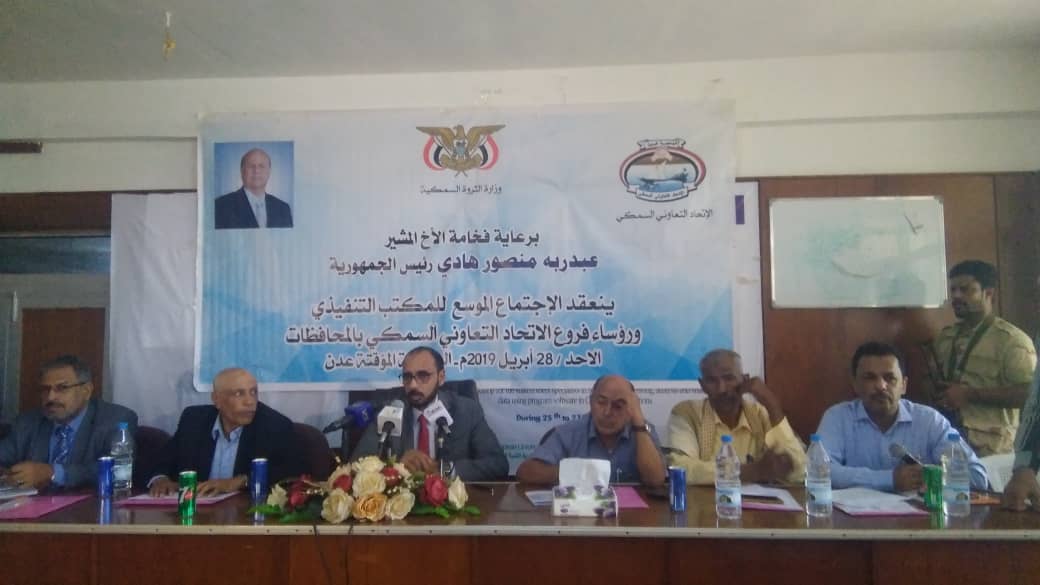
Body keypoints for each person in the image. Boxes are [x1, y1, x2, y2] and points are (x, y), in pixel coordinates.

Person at [816, 341, 988, 492]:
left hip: (920, 517)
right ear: (855, 384)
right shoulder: (838, 418)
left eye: (889, 378)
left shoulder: (929, 421)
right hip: (853, 517)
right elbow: (820, 470)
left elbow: (978, 477)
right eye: (870, 378)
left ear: (904, 385)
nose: (881, 386)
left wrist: (932, 476)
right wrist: (890, 479)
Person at [351, 347, 508, 481]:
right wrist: (397, 467)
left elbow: (497, 464)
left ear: (441, 377)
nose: (413, 385)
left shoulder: (466, 410)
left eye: (423, 376)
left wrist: (444, 470)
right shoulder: (389, 411)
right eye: (407, 377)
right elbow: (355, 465)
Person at [930, 260, 1036, 456]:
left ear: (989, 293)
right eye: (953, 290)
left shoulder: (1011, 340)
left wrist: (969, 394)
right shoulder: (945, 338)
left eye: (965, 289)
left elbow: (1031, 395)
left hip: (993, 450)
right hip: (949, 446)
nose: (956, 296)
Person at [147, 367, 301, 496]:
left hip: (244, 515)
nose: (250, 401)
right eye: (239, 393)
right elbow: (163, 461)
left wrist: (241, 481)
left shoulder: (274, 425)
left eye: (253, 392)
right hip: (196, 513)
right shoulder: (193, 421)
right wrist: (160, 479)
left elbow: (290, 474)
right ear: (216, 399)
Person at [666, 349, 806, 485]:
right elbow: (680, 468)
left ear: (744, 381)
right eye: (712, 381)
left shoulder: (760, 414)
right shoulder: (687, 413)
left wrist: (772, 404)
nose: (721, 389)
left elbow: (800, 472)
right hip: (707, 500)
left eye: (728, 378)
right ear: (702, 386)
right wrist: (753, 471)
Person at [0, 355, 138, 490]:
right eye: (45, 389)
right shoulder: (28, 422)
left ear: (86, 391)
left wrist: (53, 473)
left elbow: (117, 470)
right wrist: (7, 475)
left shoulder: (115, 419)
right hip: (32, 503)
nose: (50, 397)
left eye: (62, 388)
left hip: (89, 504)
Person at [516, 374, 667, 486]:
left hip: (632, 516)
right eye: (601, 402)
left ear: (631, 408)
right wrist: (575, 471)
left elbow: (656, 480)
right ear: (591, 401)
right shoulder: (570, 433)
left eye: (618, 406)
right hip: (581, 515)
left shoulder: (642, 431)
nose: (607, 412)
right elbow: (526, 472)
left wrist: (639, 422)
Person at [214, 148, 293, 229]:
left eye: (261, 166)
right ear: (242, 171)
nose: (256, 171)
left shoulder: (283, 209)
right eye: (251, 166)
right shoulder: (221, 206)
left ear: (269, 171)